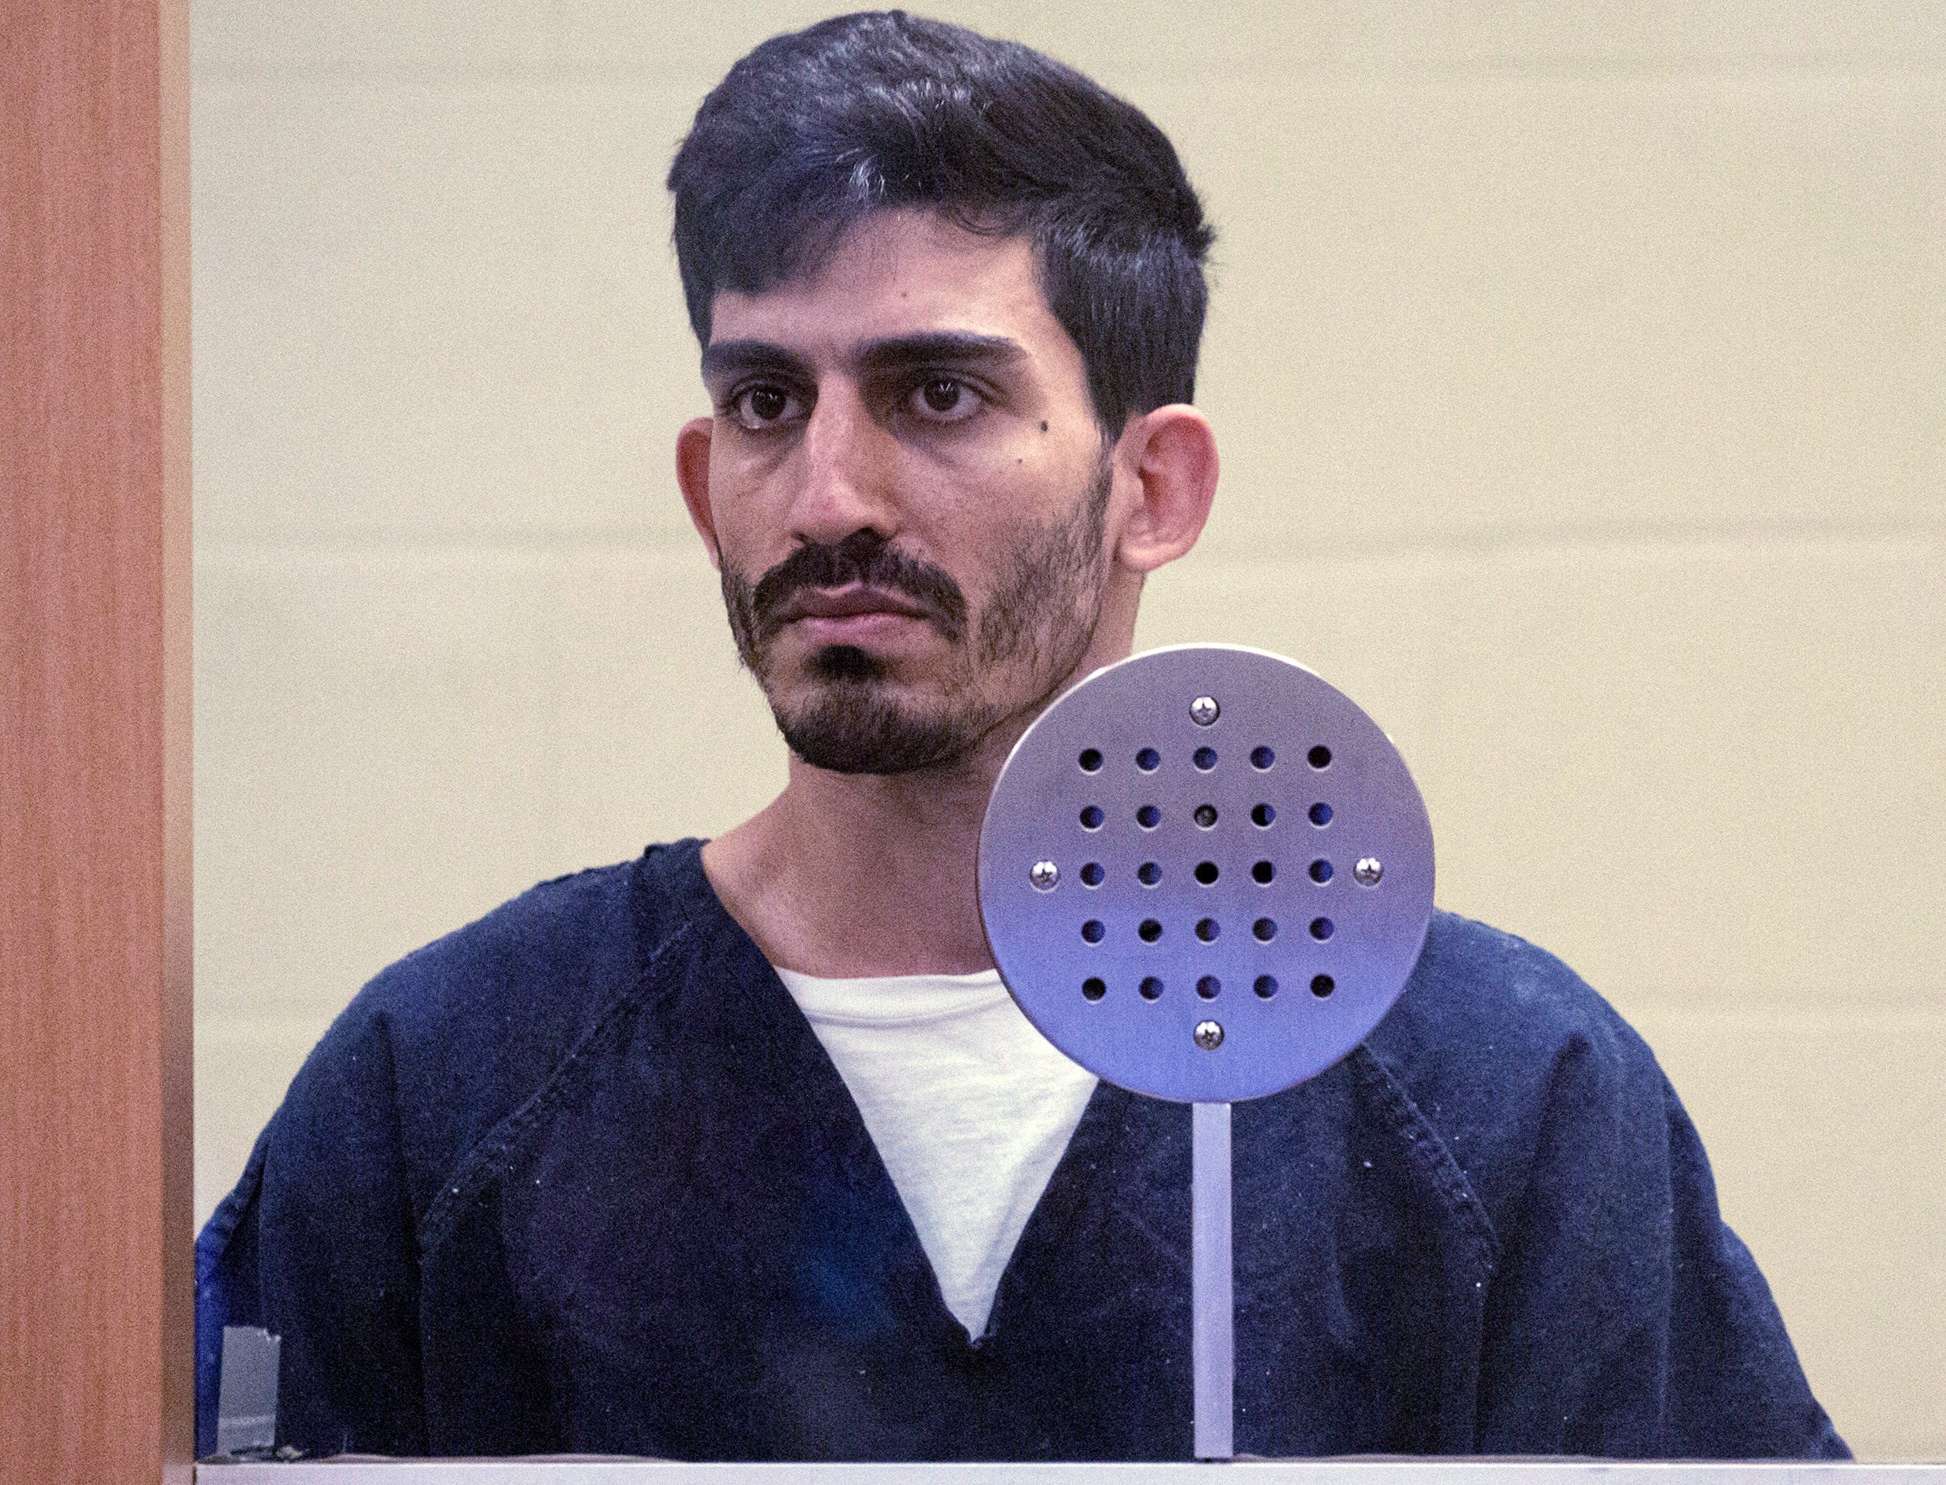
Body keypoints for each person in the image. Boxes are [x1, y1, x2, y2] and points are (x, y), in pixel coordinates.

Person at [195, 12, 1846, 1462]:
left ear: (1153, 487)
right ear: (706, 483)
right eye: (769, 402)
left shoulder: (1498, 1093)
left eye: (938, 395)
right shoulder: (447, 1082)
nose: (829, 495)